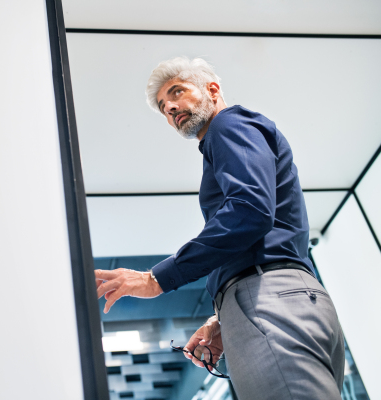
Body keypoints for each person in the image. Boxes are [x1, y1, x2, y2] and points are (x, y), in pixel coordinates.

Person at [94, 57, 345, 399]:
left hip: (269, 298)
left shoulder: (228, 124)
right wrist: (224, 319)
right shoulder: (234, 135)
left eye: (177, 92)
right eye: (163, 107)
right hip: (289, 299)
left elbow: (249, 212)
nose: (170, 107)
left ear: (212, 90)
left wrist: (156, 279)